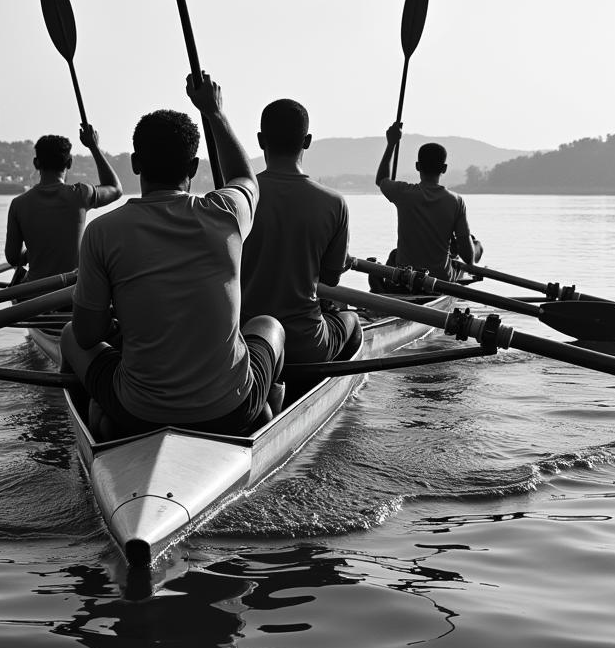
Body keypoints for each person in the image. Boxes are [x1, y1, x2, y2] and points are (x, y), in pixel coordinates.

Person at [60, 72, 285, 438]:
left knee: (69, 334)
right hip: (230, 408)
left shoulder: (102, 231)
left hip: (140, 412)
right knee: (268, 326)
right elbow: (246, 177)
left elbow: (87, 335)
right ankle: (266, 414)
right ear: (194, 167)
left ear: (135, 164)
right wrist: (214, 113)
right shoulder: (226, 212)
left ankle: (96, 423)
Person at [241, 99, 361, 364]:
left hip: (247, 341)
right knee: (352, 321)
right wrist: (342, 262)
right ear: (306, 141)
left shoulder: (238, 198)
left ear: (261, 141)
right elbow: (330, 279)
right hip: (305, 344)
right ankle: (321, 383)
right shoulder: (334, 203)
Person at [5, 124, 122, 283]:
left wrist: (33, 251)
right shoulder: (81, 195)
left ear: (36, 163)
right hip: (73, 293)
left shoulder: (18, 204)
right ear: (69, 163)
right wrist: (94, 147)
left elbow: (13, 258)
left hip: (34, 294)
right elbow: (115, 189)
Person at [375, 121, 480, 280]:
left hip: (407, 277)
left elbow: (381, 179)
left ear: (417, 166)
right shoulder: (456, 201)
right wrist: (466, 248)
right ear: (444, 169)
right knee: (475, 244)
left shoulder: (403, 192)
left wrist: (391, 143)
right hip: (440, 278)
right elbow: (468, 258)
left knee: (394, 256)